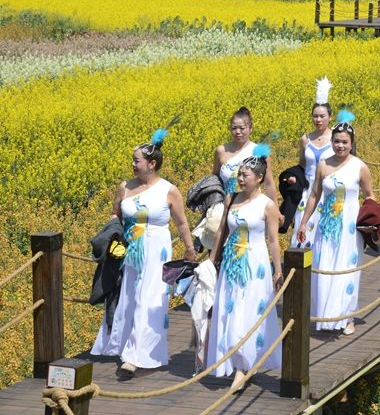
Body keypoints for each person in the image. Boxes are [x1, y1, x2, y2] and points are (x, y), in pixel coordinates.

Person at [91, 126, 197, 376]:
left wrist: (190, 249)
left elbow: (181, 223)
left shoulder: (169, 190)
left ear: (152, 164)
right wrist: (111, 237)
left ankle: (136, 356)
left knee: (150, 299)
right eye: (133, 159)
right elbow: (116, 214)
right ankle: (123, 345)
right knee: (129, 297)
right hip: (130, 249)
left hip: (157, 248)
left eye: (136, 161)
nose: (133, 164)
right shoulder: (124, 187)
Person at [207, 145, 283, 391]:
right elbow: (222, 230)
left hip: (254, 264)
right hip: (231, 262)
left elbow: (273, 240)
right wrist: (211, 261)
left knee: (248, 310)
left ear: (259, 177)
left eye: (245, 175)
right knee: (229, 308)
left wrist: (278, 270)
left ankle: (244, 365)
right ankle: (232, 360)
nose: (240, 178)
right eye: (239, 174)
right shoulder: (231, 198)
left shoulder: (267, 205)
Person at [297, 112, 373, 335]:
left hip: (349, 227)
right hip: (326, 225)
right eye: (337, 141)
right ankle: (326, 316)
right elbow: (314, 195)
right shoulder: (323, 165)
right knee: (326, 267)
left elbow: (370, 196)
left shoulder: (360, 167)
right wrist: (304, 223)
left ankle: (347, 317)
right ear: (331, 142)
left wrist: (371, 221)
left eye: (345, 142)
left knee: (346, 270)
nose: (340, 146)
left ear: (352, 143)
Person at [290, 78, 334, 248]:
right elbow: (302, 164)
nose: (318, 120)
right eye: (315, 116)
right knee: (303, 227)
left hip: (328, 190)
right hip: (308, 191)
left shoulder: (336, 138)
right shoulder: (305, 139)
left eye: (322, 116)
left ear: (330, 117)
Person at [214, 107, 278, 204]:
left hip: (252, 205)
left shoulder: (260, 152)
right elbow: (215, 180)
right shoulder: (221, 151)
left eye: (242, 128)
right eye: (234, 128)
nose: (237, 132)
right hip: (226, 205)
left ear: (250, 128)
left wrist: (275, 208)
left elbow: (268, 184)